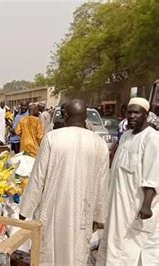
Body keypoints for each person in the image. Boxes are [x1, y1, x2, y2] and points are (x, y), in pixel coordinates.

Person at [19, 99, 109, 265]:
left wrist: (25, 210)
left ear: (66, 116)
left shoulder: (53, 138)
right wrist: (99, 217)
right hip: (83, 212)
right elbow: (102, 184)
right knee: (77, 254)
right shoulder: (100, 144)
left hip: (53, 209)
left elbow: (38, 177)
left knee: (50, 253)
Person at [97, 97, 159, 265]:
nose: (132, 116)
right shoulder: (126, 136)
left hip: (135, 206)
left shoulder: (152, 139)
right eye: (129, 112)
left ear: (146, 115)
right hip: (117, 204)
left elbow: (153, 175)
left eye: (136, 112)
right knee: (114, 245)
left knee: (131, 251)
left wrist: (146, 205)